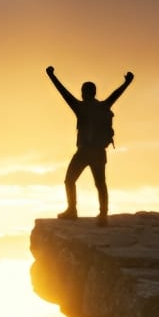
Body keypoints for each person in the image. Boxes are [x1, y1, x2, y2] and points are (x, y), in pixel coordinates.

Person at [47, 66, 131, 226]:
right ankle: (103, 215)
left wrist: (51, 75)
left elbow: (63, 92)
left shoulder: (80, 107)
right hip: (99, 152)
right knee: (100, 183)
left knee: (69, 180)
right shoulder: (104, 106)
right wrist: (127, 82)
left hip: (84, 151)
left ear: (84, 93)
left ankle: (72, 210)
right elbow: (116, 94)